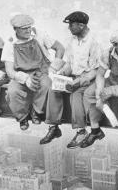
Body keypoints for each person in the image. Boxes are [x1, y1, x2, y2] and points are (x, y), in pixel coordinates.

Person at [40, 11, 101, 148]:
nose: (69, 28)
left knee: (75, 94)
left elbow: (95, 70)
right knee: (54, 88)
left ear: (81, 25)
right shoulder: (72, 41)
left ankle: (81, 131)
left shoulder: (94, 42)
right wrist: (61, 74)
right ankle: (54, 127)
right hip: (73, 76)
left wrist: (78, 82)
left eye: (71, 25)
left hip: (88, 79)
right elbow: (69, 64)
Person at [3, 14, 65, 131]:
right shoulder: (10, 43)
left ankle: (36, 111)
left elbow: (60, 48)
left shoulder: (39, 34)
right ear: (15, 29)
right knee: (12, 91)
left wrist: (53, 68)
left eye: (29, 27)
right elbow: (9, 71)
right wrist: (25, 79)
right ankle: (22, 117)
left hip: (41, 71)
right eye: (24, 28)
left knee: (46, 85)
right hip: (21, 74)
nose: (28, 30)